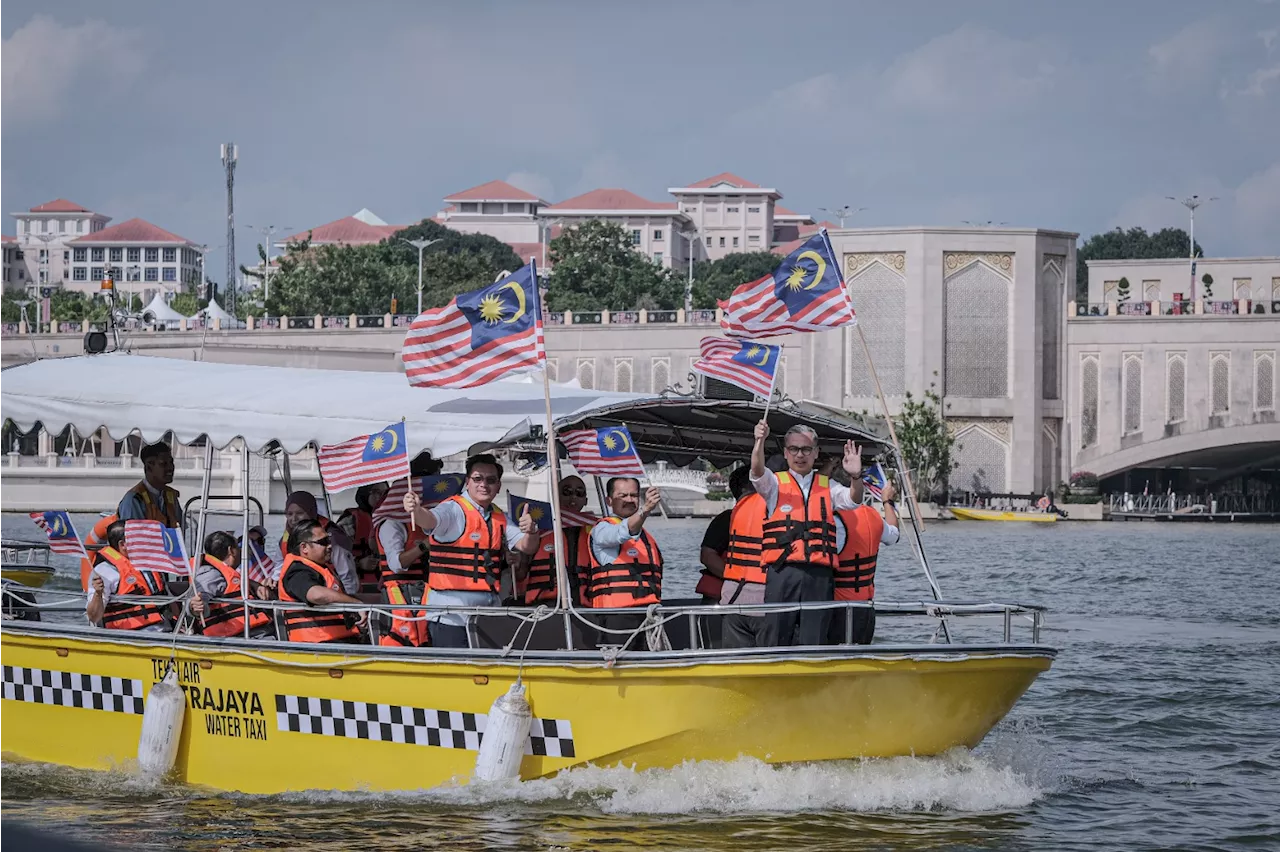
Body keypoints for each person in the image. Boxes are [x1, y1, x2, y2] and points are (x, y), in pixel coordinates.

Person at [403, 453, 539, 648]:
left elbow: (528, 546)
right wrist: (416, 509)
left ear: (498, 486)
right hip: (450, 616)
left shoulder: (498, 517)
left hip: (487, 615)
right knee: (455, 674)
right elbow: (430, 520)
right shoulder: (452, 509)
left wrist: (532, 531)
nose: (484, 484)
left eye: (491, 480)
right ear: (467, 482)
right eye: (477, 479)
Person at [750, 421, 865, 647]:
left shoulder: (828, 486)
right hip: (783, 572)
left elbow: (854, 499)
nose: (799, 455)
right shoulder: (774, 484)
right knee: (775, 634)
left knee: (815, 638)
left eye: (805, 449)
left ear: (815, 453)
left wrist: (856, 476)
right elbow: (757, 471)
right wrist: (759, 442)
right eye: (793, 449)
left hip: (819, 575)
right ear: (785, 452)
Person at [586, 477, 664, 646]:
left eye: (634, 495)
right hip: (616, 617)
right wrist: (646, 510)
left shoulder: (646, 537)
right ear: (609, 500)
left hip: (649, 615)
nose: (629, 500)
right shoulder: (602, 530)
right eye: (623, 495)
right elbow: (621, 533)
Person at [828, 475, 900, 645]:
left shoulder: (834, 520)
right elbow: (894, 536)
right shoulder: (873, 516)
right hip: (865, 609)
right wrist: (887, 501)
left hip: (837, 610)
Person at [277, 520, 368, 643]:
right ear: (304, 548)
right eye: (323, 542)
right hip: (319, 648)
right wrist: (355, 604)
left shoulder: (320, 568)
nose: (330, 546)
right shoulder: (297, 572)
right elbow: (317, 595)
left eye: (329, 541)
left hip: (341, 642)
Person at [716, 469, 771, 648]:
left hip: (733, 597)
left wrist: (733, 576)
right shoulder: (778, 507)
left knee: (735, 663)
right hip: (766, 601)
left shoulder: (736, 511)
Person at [520, 475, 594, 607]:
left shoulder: (596, 530)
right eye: (566, 492)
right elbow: (520, 572)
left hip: (585, 605)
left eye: (579, 493)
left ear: (586, 500)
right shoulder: (538, 527)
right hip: (544, 605)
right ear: (555, 494)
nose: (573, 497)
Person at [85, 520, 170, 631]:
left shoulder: (147, 565)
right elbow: (94, 617)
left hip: (164, 628)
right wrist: (98, 593)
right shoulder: (104, 571)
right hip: (131, 634)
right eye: (136, 538)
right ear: (123, 544)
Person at [190, 530, 274, 639]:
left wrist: (255, 585)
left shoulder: (227, 572)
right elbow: (201, 593)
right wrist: (195, 606)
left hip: (255, 632)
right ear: (231, 551)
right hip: (243, 637)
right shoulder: (211, 573)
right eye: (238, 548)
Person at [280, 491, 358, 595]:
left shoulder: (333, 537)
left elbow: (347, 575)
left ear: (311, 512)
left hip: (333, 596)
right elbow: (278, 567)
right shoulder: (286, 537)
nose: (294, 519)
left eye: (299, 513)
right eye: (289, 514)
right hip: (300, 592)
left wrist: (350, 602)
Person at [697, 467, 754, 605]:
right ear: (745, 490)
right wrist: (737, 580)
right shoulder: (727, 519)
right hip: (722, 597)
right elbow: (707, 556)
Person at [337, 482, 389, 595]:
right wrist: (359, 563)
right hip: (356, 585)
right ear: (365, 493)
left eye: (384, 493)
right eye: (376, 492)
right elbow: (335, 556)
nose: (380, 496)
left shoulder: (393, 518)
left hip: (387, 584)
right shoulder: (350, 520)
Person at [117, 442, 182, 527]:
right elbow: (132, 537)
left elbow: (181, 529)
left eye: (171, 462)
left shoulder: (171, 496)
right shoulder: (134, 500)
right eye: (163, 464)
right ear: (148, 467)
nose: (170, 468)